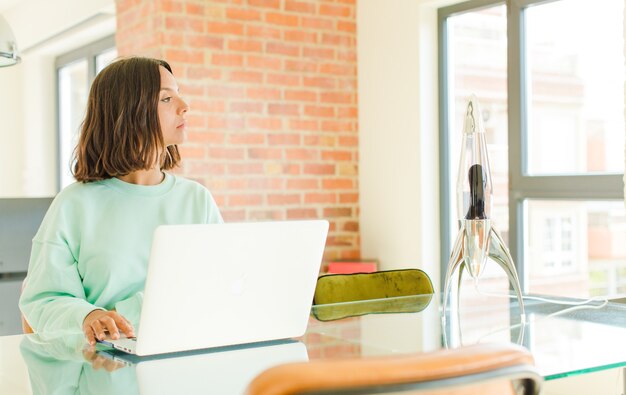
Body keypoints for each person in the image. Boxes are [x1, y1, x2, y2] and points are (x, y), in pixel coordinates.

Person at [19, 57, 223, 346]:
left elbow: (216, 286)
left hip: (185, 360)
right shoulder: (74, 204)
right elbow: (42, 300)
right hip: (103, 368)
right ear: (130, 112)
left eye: (178, 93)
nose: (184, 105)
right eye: (166, 98)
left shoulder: (196, 200)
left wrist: (126, 312)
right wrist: (89, 316)